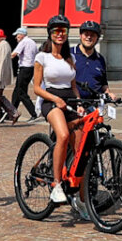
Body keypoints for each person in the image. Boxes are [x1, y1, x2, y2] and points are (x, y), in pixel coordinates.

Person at [31, 15, 82, 205]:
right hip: (50, 100)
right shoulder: (42, 57)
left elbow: (74, 85)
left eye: (64, 31)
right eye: (56, 31)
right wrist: (55, 99)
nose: (60, 34)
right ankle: (57, 184)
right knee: (62, 135)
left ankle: (79, 194)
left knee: (81, 147)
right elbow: (37, 88)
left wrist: (80, 103)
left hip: (69, 100)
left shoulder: (71, 57)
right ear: (50, 34)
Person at [9, 25, 39, 123]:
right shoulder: (33, 42)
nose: (16, 38)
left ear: (22, 35)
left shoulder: (23, 42)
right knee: (17, 89)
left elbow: (14, 54)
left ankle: (33, 113)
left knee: (21, 92)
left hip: (25, 68)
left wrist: (3, 59)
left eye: (17, 36)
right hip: (30, 68)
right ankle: (12, 111)